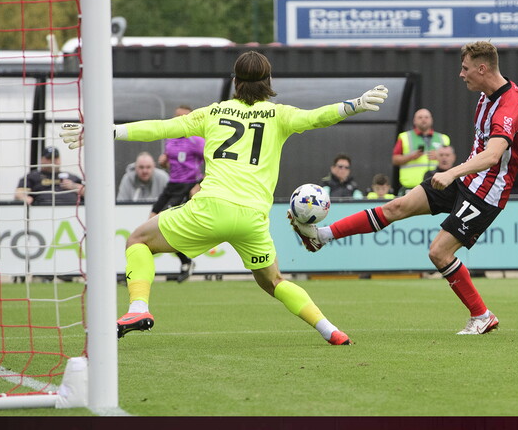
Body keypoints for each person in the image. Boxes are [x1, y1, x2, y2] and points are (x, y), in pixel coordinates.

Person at [60, 50, 389, 345]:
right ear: (269, 82)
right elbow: (317, 116)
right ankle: (330, 330)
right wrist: (355, 104)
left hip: (210, 209)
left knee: (138, 241)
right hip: (252, 220)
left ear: (235, 82)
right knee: (274, 281)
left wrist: (110, 130)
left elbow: (162, 127)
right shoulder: (279, 115)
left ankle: (138, 308)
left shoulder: (212, 113)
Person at [290, 41, 518, 336]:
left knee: (439, 253)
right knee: (396, 206)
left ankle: (482, 315)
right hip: (466, 179)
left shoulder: (509, 104)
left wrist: (451, 172)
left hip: (485, 192)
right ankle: (321, 236)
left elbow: (492, 156)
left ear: (482, 69)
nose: (460, 74)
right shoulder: (485, 96)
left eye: (465, 68)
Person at [151, 105, 206, 282]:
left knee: (162, 225)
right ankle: (186, 261)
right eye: (177, 116)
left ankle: (184, 262)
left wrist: (199, 184)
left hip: (187, 186)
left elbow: (217, 162)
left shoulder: (197, 140)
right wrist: (164, 162)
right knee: (151, 221)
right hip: (172, 185)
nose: (179, 120)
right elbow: (171, 162)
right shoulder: (171, 138)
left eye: (183, 117)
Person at [392, 108, 451, 193]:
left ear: (431, 120)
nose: (423, 119)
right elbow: (394, 159)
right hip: (411, 187)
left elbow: (450, 158)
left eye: (426, 117)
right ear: (414, 121)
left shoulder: (443, 138)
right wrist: (411, 157)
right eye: (420, 117)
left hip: (436, 186)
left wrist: (439, 156)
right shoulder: (405, 137)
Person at [14, 146, 85, 205]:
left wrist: (73, 186)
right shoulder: (33, 176)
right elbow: (19, 193)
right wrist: (24, 198)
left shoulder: (71, 177)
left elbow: (88, 193)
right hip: (42, 211)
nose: (53, 160)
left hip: (72, 211)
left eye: (56, 158)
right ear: (42, 159)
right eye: (49, 158)